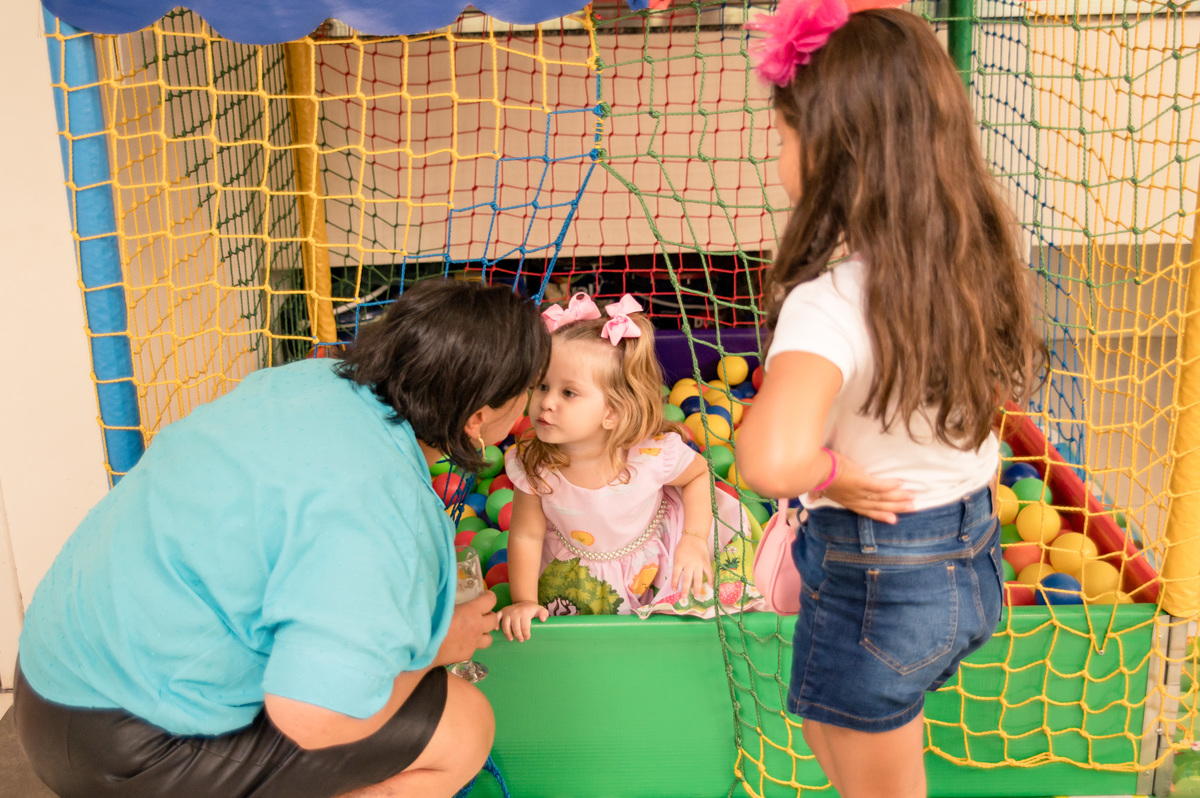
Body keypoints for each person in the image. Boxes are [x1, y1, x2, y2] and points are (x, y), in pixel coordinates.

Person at [14, 278, 550, 798]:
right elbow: (314, 719)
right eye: (529, 390)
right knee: (463, 723)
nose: (534, 404)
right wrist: (435, 648)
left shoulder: (310, 380)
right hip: (121, 747)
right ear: (477, 418)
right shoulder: (380, 507)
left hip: (48, 677)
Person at [735, 4, 1043, 798]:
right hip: (967, 559)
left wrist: (830, 472)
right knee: (831, 721)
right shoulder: (971, 261)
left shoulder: (833, 303)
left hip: (883, 578)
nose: (779, 156)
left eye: (783, 137)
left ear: (834, 154)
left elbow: (770, 460)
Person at [497, 293, 748, 640]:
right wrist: (524, 601)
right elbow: (526, 535)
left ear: (613, 413)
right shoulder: (536, 464)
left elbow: (699, 474)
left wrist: (693, 539)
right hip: (577, 569)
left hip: (651, 567)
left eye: (568, 393)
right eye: (542, 386)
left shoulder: (651, 456)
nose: (546, 402)